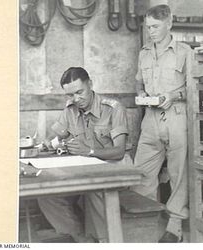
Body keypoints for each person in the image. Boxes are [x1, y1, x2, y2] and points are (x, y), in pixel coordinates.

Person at [37, 67, 130, 243]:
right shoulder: (70, 109)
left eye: (80, 92)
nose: (76, 99)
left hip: (113, 171)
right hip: (84, 173)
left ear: (91, 84)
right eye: (70, 95)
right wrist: (47, 143)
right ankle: (82, 239)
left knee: (94, 190)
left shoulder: (113, 108)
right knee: (48, 195)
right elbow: (57, 134)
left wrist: (90, 151)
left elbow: (119, 151)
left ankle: (104, 241)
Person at [131, 4, 189, 243]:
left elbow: (194, 89)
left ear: (169, 23)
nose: (150, 32)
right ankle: (142, 224)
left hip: (176, 116)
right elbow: (138, 83)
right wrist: (143, 94)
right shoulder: (143, 52)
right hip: (151, 119)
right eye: (148, 27)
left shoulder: (185, 52)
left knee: (179, 173)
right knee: (141, 172)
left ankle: (174, 227)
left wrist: (173, 96)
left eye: (155, 27)